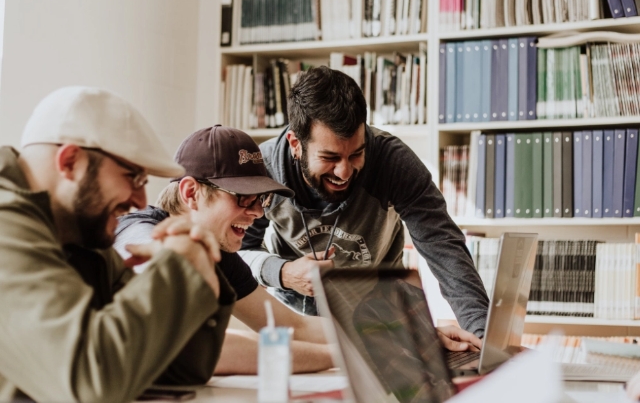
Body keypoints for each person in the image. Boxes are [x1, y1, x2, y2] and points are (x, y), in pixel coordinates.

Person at [0, 87, 234, 403]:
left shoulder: (81, 235)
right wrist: (179, 267)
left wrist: (198, 264)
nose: (140, 201)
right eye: (133, 177)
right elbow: (91, 383)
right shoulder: (6, 223)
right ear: (70, 162)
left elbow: (176, 371)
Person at [240, 66, 490, 338]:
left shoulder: (394, 162)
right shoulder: (264, 171)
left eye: (356, 154)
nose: (344, 172)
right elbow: (238, 253)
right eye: (330, 158)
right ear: (295, 144)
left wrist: (482, 336)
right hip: (296, 323)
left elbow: (444, 249)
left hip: (382, 318)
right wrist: (283, 273)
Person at [115, 125, 336, 374]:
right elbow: (197, 346)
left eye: (261, 198)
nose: (258, 212)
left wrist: (372, 336)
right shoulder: (138, 234)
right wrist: (340, 356)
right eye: (243, 197)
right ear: (191, 193)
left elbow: (292, 326)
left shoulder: (218, 254)